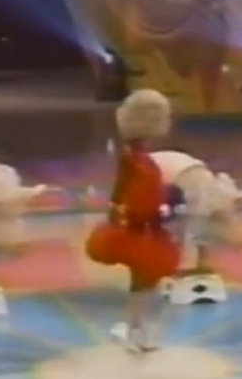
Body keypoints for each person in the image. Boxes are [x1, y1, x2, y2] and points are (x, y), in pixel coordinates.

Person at [85, 89, 180, 352]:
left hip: (147, 226)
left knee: (146, 281)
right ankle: (132, 329)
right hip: (136, 227)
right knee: (142, 280)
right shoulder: (131, 157)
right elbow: (124, 187)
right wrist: (117, 209)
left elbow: (137, 190)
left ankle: (135, 328)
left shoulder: (141, 158)